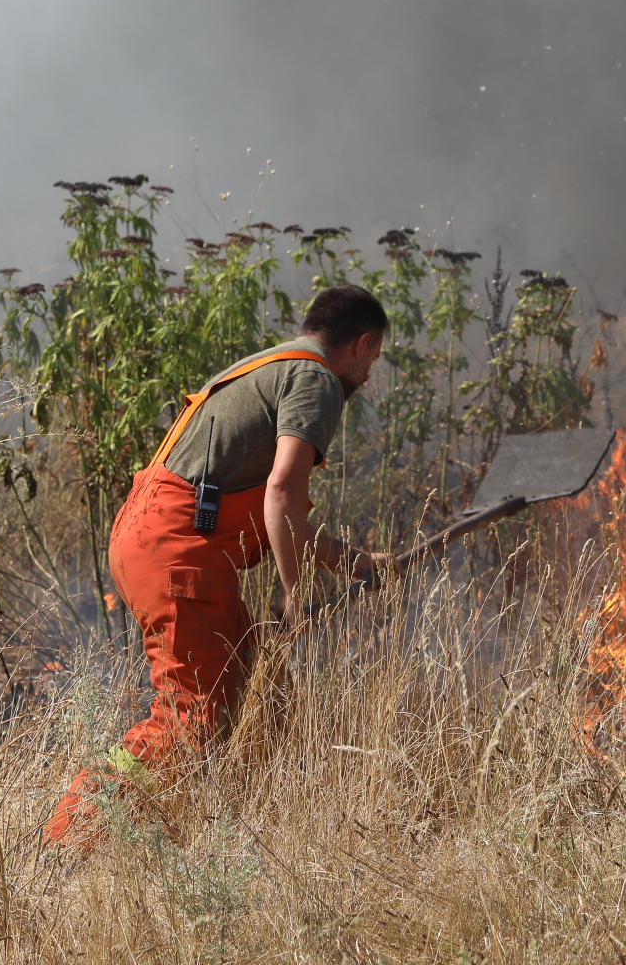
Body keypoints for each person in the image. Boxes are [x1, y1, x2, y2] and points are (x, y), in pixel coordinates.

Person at [44, 283, 391, 847]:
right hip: (180, 548)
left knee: (253, 690)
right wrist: (292, 593)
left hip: (154, 535)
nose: (369, 376)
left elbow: (283, 521)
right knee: (190, 716)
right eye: (372, 360)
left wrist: (358, 564)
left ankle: (214, 839)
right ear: (363, 342)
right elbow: (280, 493)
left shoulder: (270, 366)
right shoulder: (317, 380)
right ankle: (67, 843)